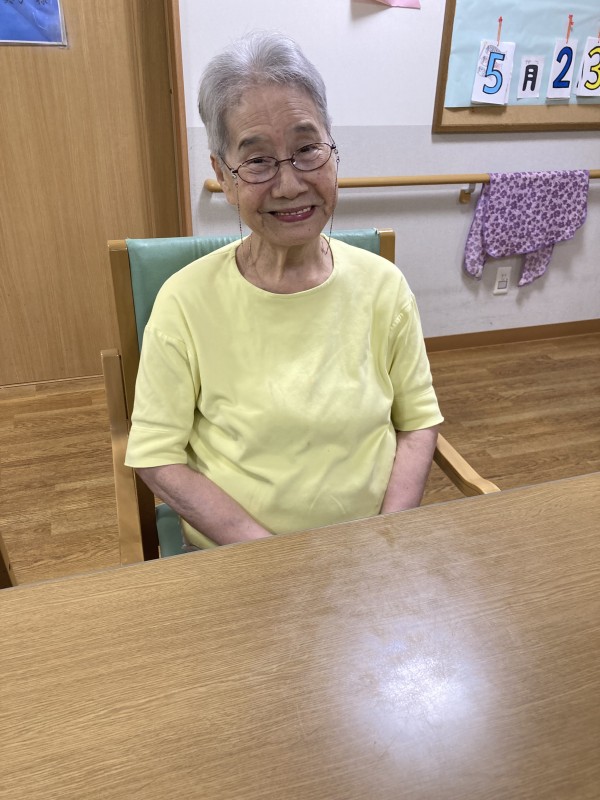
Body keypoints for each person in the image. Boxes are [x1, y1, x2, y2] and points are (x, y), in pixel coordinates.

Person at [125, 31, 443, 549]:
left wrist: (387, 536)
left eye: (307, 149)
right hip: (243, 559)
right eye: (257, 161)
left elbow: (418, 423)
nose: (291, 184)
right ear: (223, 176)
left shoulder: (384, 286)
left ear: (333, 150)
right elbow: (156, 455)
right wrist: (270, 554)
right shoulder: (184, 300)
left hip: (373, 549)